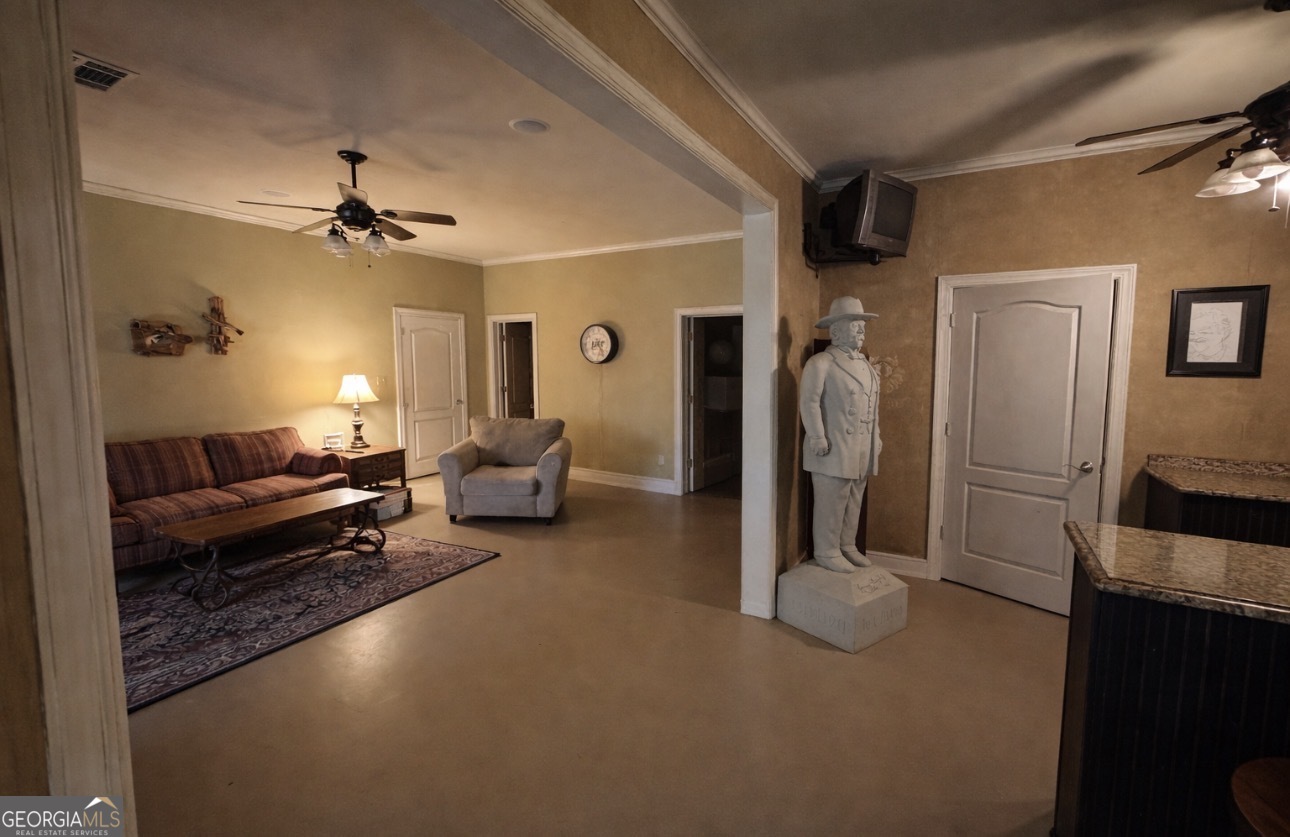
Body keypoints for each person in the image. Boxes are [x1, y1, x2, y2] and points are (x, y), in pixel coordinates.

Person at [800, 297, 882, 573]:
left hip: (861, 446)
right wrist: (816, 437)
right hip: (833, 446)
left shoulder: (868, 365)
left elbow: (873, 407)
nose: (862, 330)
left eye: (863, 326)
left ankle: (847, 545)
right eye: (855, 325)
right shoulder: (821, 363)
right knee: (831, 501)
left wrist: (877, 438)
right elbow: (809, 402)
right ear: (835, 331)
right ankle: (826, 550)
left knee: (854, 497)